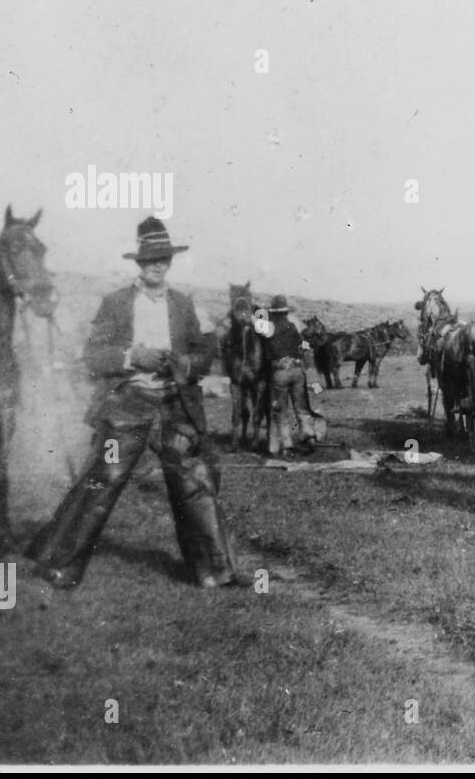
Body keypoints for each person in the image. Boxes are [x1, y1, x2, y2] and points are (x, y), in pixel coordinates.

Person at [26, 217, 239, 589]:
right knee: (103, 479)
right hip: (126, 406)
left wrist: (185, 363)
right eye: (150, 259)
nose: (157, 265)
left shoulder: (184, 305)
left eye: (163, 259)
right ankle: (60, 565)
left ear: (169, 262)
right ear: (139, 263)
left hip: (174, 406)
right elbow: (93, 356)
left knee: (194, 481)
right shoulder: (116, 303)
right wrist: (131, 356)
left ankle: (214, 573)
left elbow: (204, 354)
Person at [264, 295, 318, 459]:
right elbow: (304, 345)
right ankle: (309, 436)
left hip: (280, 372)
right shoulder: (293, 327)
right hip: (297, 370)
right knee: (301, 406)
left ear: (273, 312)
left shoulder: (268, 328)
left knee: (281, 411)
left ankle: (287, 444)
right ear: (286, 311)